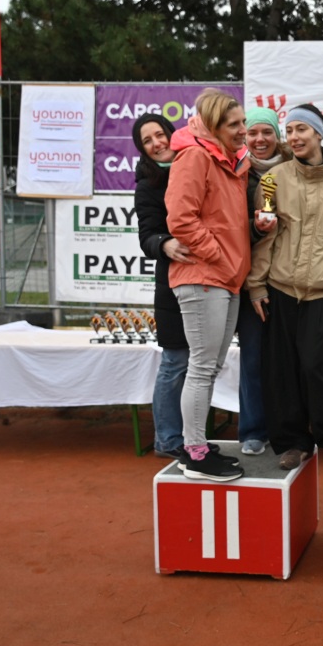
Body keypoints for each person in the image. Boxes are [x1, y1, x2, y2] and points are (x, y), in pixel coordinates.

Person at [236, 107, 323, 457]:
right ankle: (291, 443)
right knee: (282, 369)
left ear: (319, 133)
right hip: (280, 288)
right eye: (289, 130)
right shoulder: (273, 180)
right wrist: (257, 285)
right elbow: (264, 238)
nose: (294, 137)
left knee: (320, 363)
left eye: (302, 129)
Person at [163, 89, 250, 483]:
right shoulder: (195, 156)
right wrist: (218, 254)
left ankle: (195, 443)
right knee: (201, 367)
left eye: (243, 122)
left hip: (225, 276)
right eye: (234, 124)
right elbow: (181, 218)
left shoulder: (229, 159)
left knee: (210, 366)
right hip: (204, 277)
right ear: (214, 126)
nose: (243, 130)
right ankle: (195, 453)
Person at [132, 113, 191, 460]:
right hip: (172, 285)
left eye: (159, 134)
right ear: (142, 150)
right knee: (175, 361)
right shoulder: (147, 186)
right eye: (147, 141)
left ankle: (194, 437)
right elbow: (147, 235)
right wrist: (164, 243)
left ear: (171, 134)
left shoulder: (196, 166)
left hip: (210, 280)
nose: (157, 143)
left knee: (200, 365)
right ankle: (168, 438)